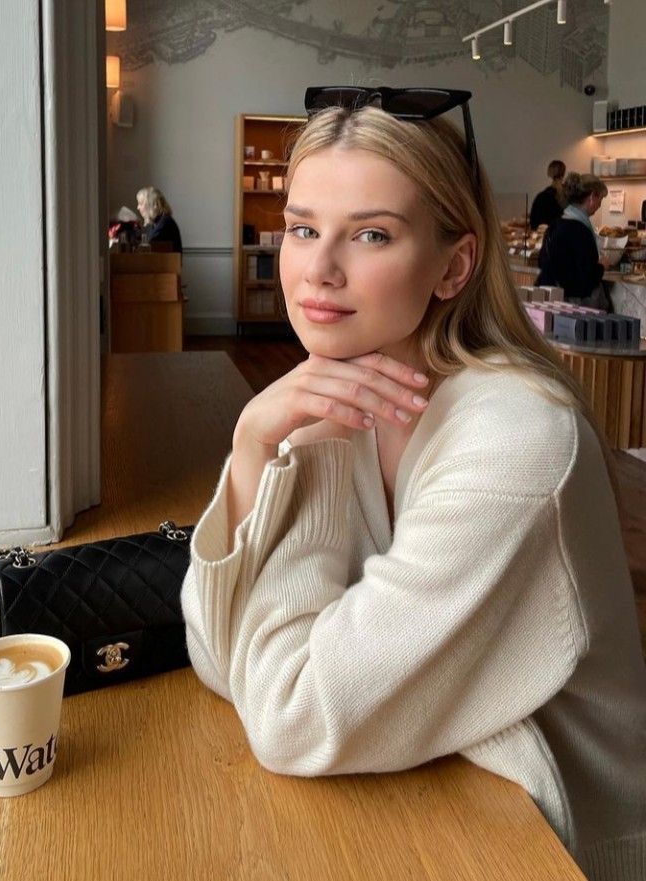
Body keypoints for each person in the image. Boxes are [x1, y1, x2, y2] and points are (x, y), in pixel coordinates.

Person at [181, 87, 646, 881]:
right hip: (433, 795)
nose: (318, 270)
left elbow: (290, 714)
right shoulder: (351, 388)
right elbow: (217, 654)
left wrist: (316, 457)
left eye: (370, 233)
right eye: (301, 228)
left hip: (551, 842)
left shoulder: (514, 438)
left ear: (454, 264)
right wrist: (253, 447)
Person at [537, 172, 609, 305]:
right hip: (569, 305)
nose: (600, 205)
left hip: (548, 301)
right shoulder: (580, 231)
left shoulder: (556, 224)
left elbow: (542, 262)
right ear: (592, 197)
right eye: (601, 199)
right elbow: (584, 280)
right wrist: (601, 266)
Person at [135, 186, 183, 252]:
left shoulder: (165, 222)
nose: (138, 207)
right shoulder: (156, 223)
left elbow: (149, 244)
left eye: (140, 203)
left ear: (151, 205)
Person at [529, 159, 566, 230]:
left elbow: (534, 222)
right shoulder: (569, 195)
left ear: (550, 173)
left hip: (547, 235)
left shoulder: (542, 197)